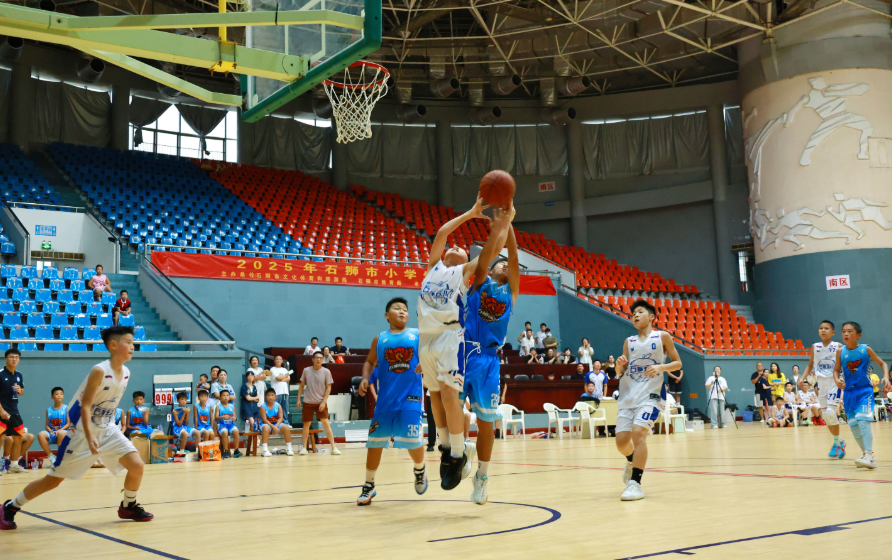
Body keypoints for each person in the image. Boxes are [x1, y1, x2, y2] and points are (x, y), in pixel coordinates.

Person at [0, 326, 153, 530]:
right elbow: (85, 406)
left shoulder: (126, 372)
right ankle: (10, 507)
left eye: (133, 342)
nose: (133, 346)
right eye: (129, 342)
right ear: (113, 345)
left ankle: (128, 506)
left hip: (108, 429)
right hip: (81, 432)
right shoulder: (100, 371)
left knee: (137, 465)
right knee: (53, 480)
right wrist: (90, 436)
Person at [417, 194, 488, 491]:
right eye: (453, 246)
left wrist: (501, 228)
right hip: (426, 338)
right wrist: (470, 213)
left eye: (462, 247)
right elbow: (442, 233)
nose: (456, 245)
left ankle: (458, 454)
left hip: (449, 336)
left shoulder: (464, 272)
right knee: (434, 396)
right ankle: (447, 448)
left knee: (448, 396)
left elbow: (488, 254)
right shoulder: (433, 267)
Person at [462, 207, 518, 504]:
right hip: (464, 353)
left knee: (486, 423)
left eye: (507, 265)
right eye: (500, 263)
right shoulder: (480, 284)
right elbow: (484, 260)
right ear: (492, 269)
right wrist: (499, 229)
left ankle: (482, 477)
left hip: (489, 360)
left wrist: (510, 224)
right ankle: (459, 448)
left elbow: (515, 258)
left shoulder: (511, 294)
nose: (505, 266)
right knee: (449, 409)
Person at [356, 297, 428, 505]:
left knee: (413, 441)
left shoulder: (417, 334)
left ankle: (420, 470)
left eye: (405, 309)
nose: (402, 311)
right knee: (375, 443)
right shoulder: (380, 339)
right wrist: (365, 378)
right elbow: (370, 361)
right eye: (397, 308)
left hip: (411, 398)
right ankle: (369, 485)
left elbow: (432, 353)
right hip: (385, 401)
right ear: (387, 315)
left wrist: (427, 362)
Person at [614, 299, 682, 501]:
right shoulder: (629, 341)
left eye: (640, 312)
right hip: (629, 395)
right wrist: (619, 365)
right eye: (633, 313)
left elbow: (677, 363)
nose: (635, 315)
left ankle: (635, 484)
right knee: (621, 443)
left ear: (651, 317)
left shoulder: (662, 336)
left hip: (651, 395)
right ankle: (631, 459)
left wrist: (662, 367)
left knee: (638, 433)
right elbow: (621, 372)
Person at [833, 321, 890, 469]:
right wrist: (837, 380)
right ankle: (866, 455)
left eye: (850, 331)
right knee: (853, 425)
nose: (846, 334)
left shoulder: (865, 349)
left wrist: (886, 377)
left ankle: (869, 455)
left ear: (858, 335)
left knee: (862, 421)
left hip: (864, 391)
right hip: (848, 393)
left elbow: (883, 363)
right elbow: (836, 370)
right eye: (843, 331)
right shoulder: (840, 352)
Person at [803, 320, 846, 457]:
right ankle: (838, 441)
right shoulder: (815, 347)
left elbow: (846, 362)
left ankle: (837, 444)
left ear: (833, 332)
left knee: (831, 413)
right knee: (826, 415)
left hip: (834, 382)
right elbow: (810, 365)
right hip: (820, 383)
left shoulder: (838, 346)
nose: (823, 330)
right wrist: (802, 378)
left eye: (826, 328)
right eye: (821, 328)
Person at [297, 351, 340, 455]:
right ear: (312, 359)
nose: (319, 359)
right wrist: (298, 399)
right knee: (306, 424)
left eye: (321, 358)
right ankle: (304, 448)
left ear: (323, 360)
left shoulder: (326, 371)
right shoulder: (306, 370)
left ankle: (333, 447)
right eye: (316, 357)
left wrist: (324, 402)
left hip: (321, 402)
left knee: (326, 423)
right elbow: (302, 385)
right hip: (308, 401)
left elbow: (329, 387)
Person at [0, 350, 26, 473]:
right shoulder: (0, 374)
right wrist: (1, 411)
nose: (14, 359)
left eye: (17, 357)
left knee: (18, 438)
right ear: (6, 359)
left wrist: (20, 391)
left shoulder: (19, 375)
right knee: (1, 438)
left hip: (14, 411)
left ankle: (14, 465)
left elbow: (22, 392)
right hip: (2, 410)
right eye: (11, 357)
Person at [38, 386, 70, 464]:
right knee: (41, 434)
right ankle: (51, 456)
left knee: (60, 433)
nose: (59, 396)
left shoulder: (67, 408)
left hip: (63, 432)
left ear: (63, 396)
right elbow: (47, 425)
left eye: (61, 394)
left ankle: (60, 456)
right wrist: (50, 431)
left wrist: (59, 431)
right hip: (52, 433)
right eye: (56, 394)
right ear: (52, 397)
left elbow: (68, 424)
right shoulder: (49, 410)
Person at [259, 388, 294, 456]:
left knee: (286, 427)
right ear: (266, 397)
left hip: (276, 424)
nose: (270, 397)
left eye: (272, 395)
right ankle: (265, 450)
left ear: (275, 396)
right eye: (268, 395)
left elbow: (281, 418)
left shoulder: (278, 405)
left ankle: (289, 449)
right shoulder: (262, 407)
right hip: (265, 424)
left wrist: (276, 426)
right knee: (266, 428)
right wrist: (274, 427)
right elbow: (264, 420)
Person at [214, 389, 242, 459]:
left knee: (236, 431)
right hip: (221, 425)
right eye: (223, 395)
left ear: (229, 397)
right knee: (225, 432)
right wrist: (222, 417)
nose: (225, 397)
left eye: (227, 395)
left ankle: (236, 450)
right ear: (220, 397)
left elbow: (234, 416)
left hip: (231, 425)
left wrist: (235, 418)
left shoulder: (232, 406)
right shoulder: (218, 407)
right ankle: (225, 450)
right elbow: (216, 418)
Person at [268, 355, 292, 423]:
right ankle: (274, 422)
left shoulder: (284, 369)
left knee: (285, 408)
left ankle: (285, 422)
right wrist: (284, 376)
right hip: (276, 392)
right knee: (275, 408)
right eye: (277, 359)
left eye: (280, 359)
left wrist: (281, 378)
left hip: (285, 392)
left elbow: (288, 379)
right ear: (274, 361)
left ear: (282, 361)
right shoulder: (272, 369)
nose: (278, 361)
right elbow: (277, 378)